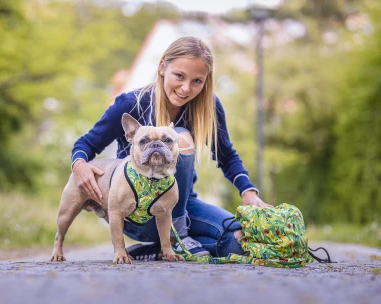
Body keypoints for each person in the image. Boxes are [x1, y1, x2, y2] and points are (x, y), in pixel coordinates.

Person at [70, 36, 272, 261]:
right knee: (182, 137)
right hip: (136, 209)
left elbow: (226, 155)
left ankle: (158, 249)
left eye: (197, 81)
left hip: (182, 203)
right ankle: (175, 239)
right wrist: (79, 165)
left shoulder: (209, 106)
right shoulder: (131, 104)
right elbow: (86, 144)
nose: (186, 88)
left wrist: (249, 192)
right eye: (179, 76)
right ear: (163, 67)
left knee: (238, 241)